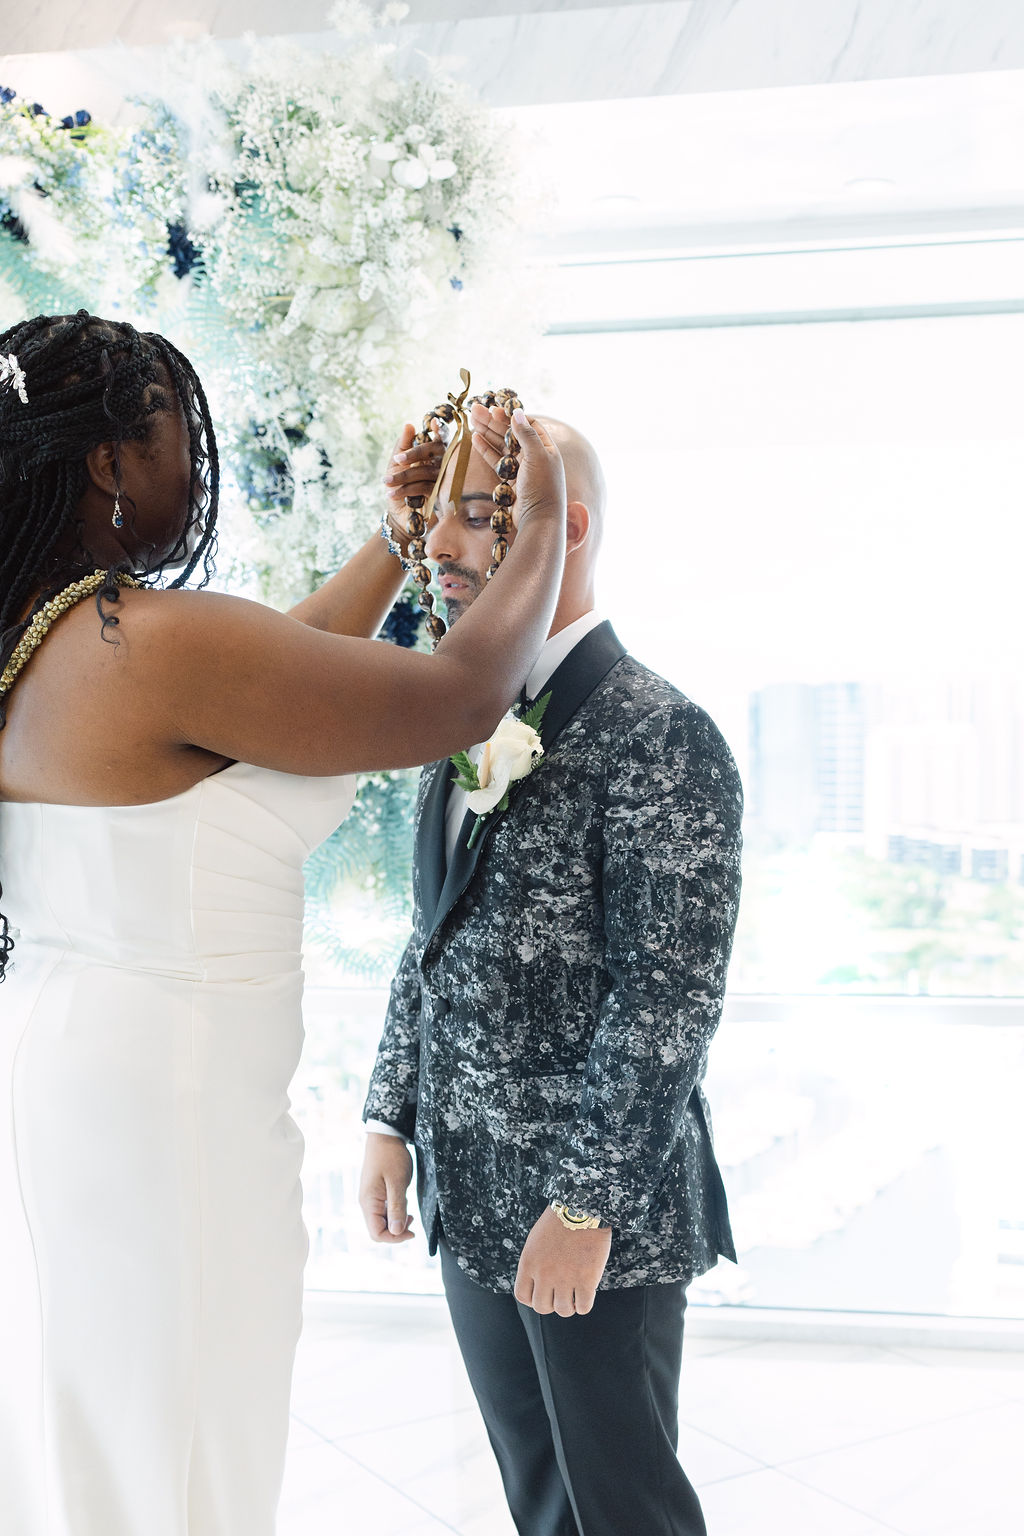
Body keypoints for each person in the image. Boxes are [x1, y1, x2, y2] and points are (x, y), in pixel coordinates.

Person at [0, 309, 566, 1536]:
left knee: (112, 1411)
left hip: (79, 1063)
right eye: (171, 436)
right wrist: (541, 519)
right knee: (187, 1421)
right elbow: (463, 694)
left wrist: (392, 543)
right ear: (107, 462)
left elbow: (273, 684)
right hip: (163, 1091)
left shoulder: (51, 640)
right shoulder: (139, 642)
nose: (191, 466)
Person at [359, 413, 743, 1536]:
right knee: (538, 1499)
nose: (440, 551)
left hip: (591, 1224)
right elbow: (426, 937)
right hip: (465, 1199)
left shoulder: (663, 731)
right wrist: (392, 1113)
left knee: (626, 1508)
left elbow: (667, 1000)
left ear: (560, 529)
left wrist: (583, 1203)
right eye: (437, 523)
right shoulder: (461, 713)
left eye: (475, 518)